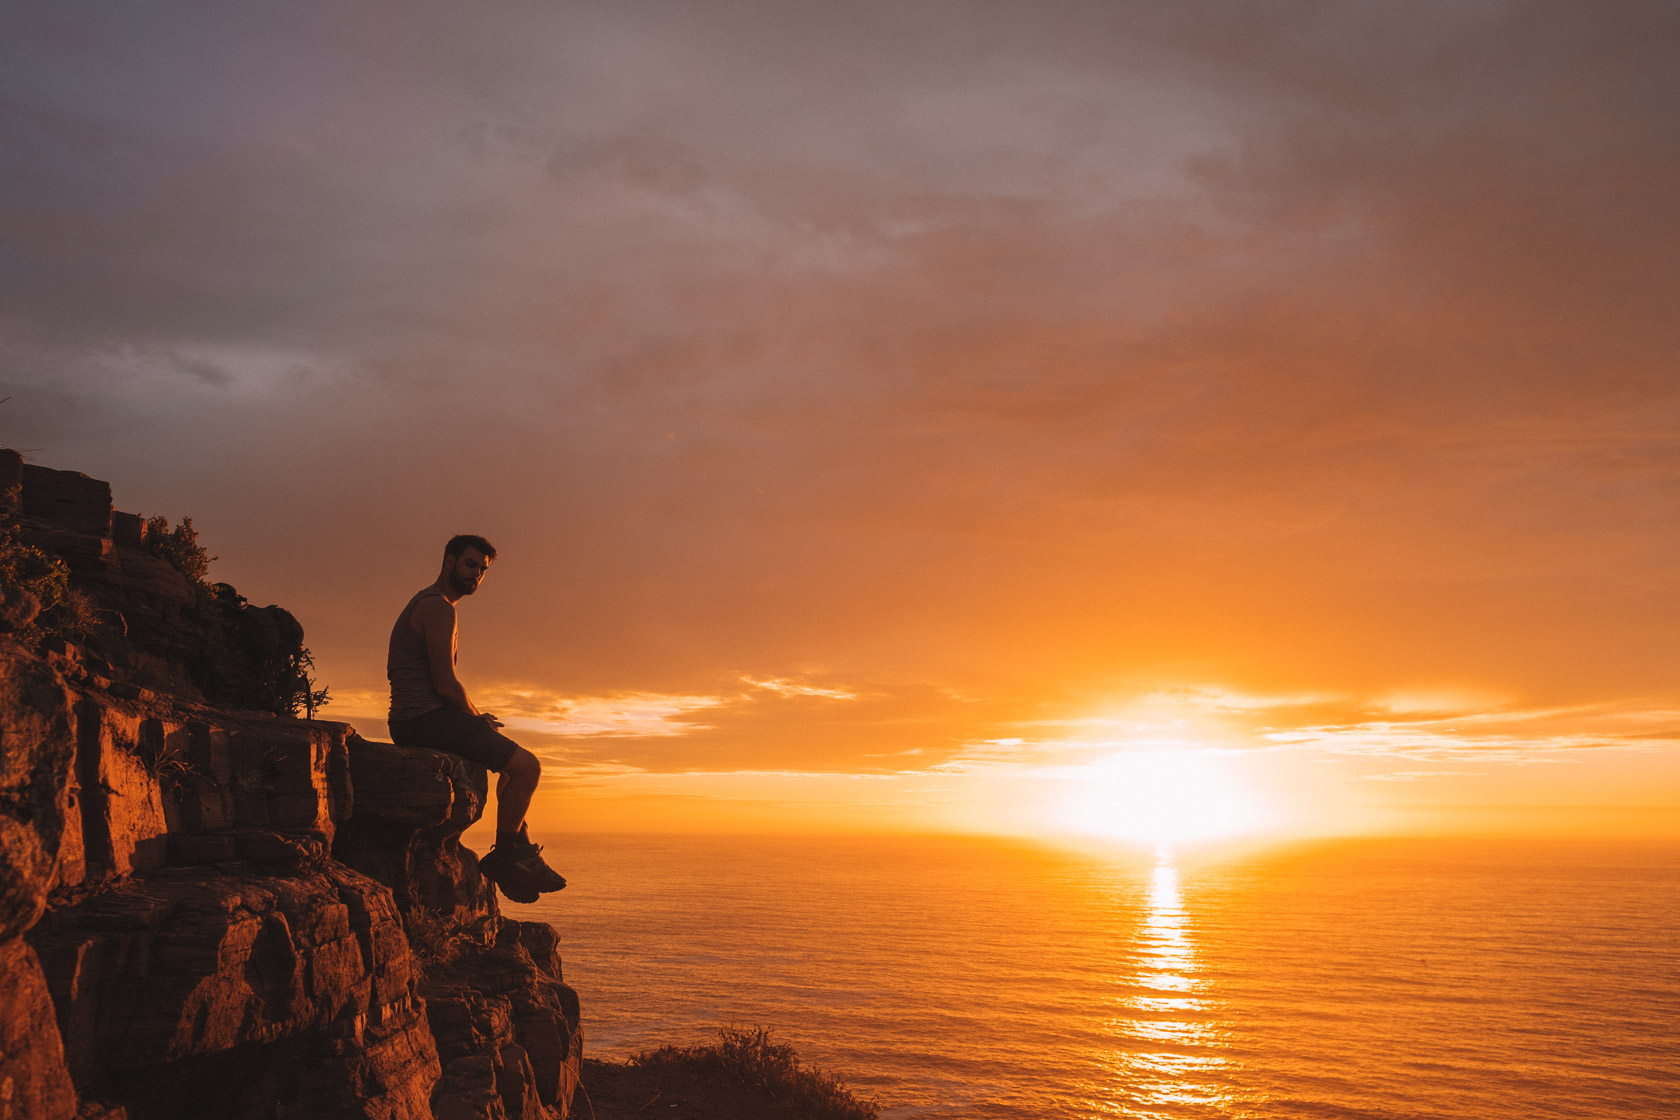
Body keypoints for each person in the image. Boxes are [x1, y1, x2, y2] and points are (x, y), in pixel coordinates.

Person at [387, 534, 565, 903]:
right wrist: (475, 718)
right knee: (528, 767)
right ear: (449, 560)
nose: (476, 576)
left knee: (506, 769)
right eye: (470, 565)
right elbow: (446, 686)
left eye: (482, 571)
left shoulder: (432, 604)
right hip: (425, 719)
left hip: (417, 719)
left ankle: (518, 849)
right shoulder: (438, 607)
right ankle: (506, 856)